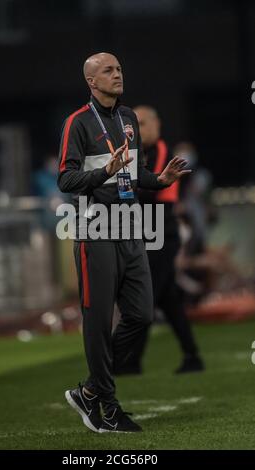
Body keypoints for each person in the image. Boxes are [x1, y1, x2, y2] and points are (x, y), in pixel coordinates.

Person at [57, 53, 190, 433]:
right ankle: (109, 406)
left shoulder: (129, 118)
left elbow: (136, 173)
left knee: (141, 314)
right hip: (94, 228)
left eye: (119, 69)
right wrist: (103, 172)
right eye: (108, 71)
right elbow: (65, 181)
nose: (117, 75)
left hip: (131, 226)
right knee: (98, 321)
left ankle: (91, 391)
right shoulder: (77, 123)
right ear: (91, 82)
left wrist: (160, 180)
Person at [113, 106, 204, 375]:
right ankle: (192, 356)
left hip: (161, 234)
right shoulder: (138, 154)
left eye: (142, 122)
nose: (137, 128)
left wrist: (124, 190)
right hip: (149, 233)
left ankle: (129, 361)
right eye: (133, 123)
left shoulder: (162, 154)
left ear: (156, 124)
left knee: (145, 298)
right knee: (167, 299)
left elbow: (152, 194)